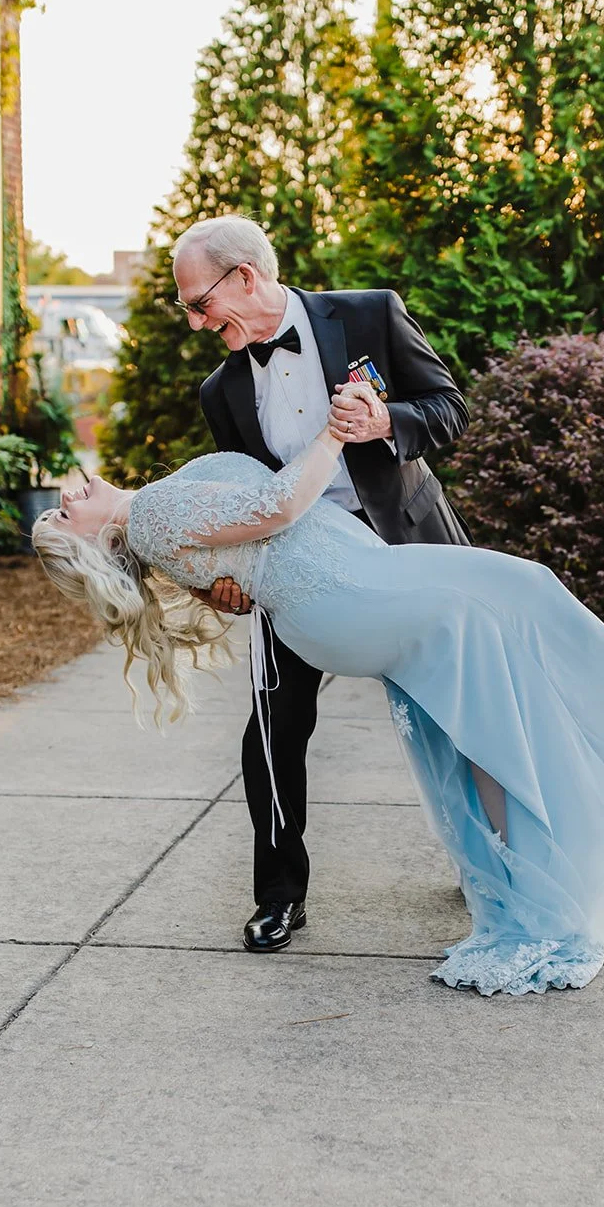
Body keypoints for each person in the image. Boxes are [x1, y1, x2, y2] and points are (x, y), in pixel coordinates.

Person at [32, 415, 604, 997]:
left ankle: (532, 891)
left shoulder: (152, 517)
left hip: (344, 591)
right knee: (523, 594)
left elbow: (231, 553)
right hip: (346, 592)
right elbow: (275, 507)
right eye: (66, 515)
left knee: (478, 708)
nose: (69, 494)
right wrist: (334, 433)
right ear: (98, 541)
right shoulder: (148, 514)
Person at [173, 216, 471, 955]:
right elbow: (244, 497)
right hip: (298, 566)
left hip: (406, 547)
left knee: (461, 711)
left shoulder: (371, 313)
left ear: (245, 277)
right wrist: (223, 580)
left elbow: (449, 409)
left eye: (198, 302)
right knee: (272, 728)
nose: (196, 322)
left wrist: (384, 422)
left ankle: (491, 860)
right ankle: (279, 896)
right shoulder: (221, 392)